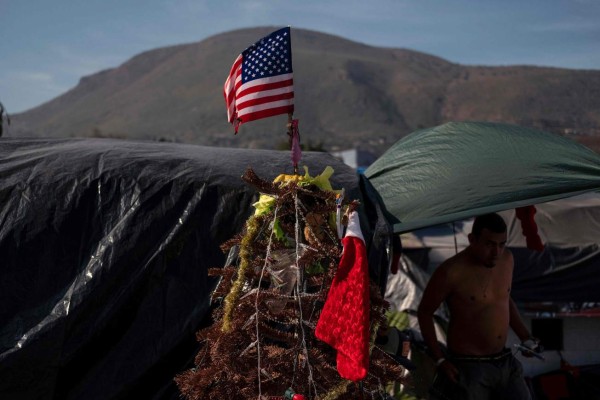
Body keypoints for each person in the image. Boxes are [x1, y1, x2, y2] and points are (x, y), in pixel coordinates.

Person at [417, 213, 540, 400]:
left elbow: (504, 299)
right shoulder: (451, 272)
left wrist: (526, 337)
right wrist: (439, 359)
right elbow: (424, 312)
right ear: (472, 239)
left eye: (501, 244)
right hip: (468, 366)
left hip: (504, 360)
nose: (496, 252)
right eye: (489, 244)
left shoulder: (507, 260)